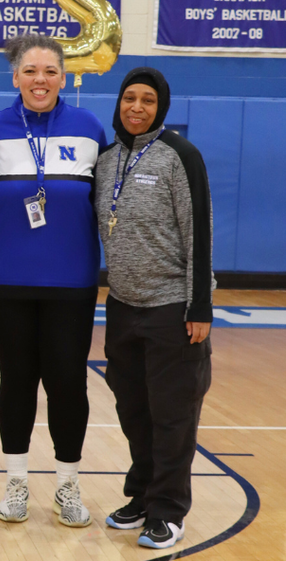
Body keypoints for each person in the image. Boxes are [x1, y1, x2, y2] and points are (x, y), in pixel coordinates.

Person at [0, 34, 107, 527]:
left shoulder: (90, 128)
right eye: (31, 71)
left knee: (69, 384)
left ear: (63, 77)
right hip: (6, 282)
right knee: (17, 383)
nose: (40, 80)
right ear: (15, 78)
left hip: (71, 283)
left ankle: (68, 486)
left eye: (50, 71)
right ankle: (16, 484)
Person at [96, 67, 214, 549]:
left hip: (173, 308)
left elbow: (198, 232)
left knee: (172, 415)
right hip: (122, 307)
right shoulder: (106, 160)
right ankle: (141, 494)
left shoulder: (180, 156)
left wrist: (200, 306)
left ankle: (168, 510)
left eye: (147, 100)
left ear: (160, 107)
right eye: (130, 98)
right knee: (134, 411)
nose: (137, 107)